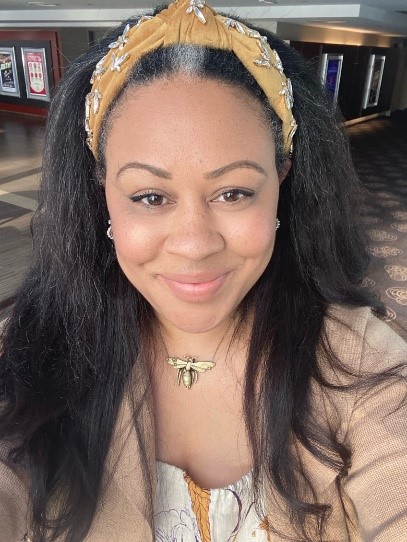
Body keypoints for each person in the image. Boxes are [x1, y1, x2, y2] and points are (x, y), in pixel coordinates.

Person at [0, 1, 406, 541]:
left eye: (234, 192)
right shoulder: (31, 350)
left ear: (282, 179)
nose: (194, 245)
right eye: (149, 196)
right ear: (101, 193)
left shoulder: (361, 363)